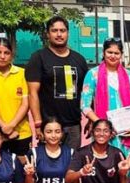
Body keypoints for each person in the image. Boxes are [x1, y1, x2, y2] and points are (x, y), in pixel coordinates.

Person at [26, 16, 89, 149]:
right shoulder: (38, 58)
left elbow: (87, 92)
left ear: (68, 33)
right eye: (54, 30)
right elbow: (33, 93)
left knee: (72, 165)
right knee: (49, 166)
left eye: (63, 30)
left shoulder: (79, 59)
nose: (59, 34)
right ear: (48, 34)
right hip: (50, 126)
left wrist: (90, 119)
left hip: (73, 125)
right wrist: (38, 124)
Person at [81, 37, 130, 156]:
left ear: (121, 55)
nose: (113, 56)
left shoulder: (129, 76)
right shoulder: (93, 74)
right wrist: (102, 124)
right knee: (105, 166)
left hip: (126, 131)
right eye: (110, 52)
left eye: (116, 53)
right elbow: (85, 105)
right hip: (102, 132)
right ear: (103, 53)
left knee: (128, 167)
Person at [0, 37, 32, 163]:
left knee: (24, 172)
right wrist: (4, 128)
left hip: (21, 133)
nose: (2, 56)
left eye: (6, 53)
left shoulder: (22, 73)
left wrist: (12, 125)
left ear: (12, 55)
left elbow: (25, 103)